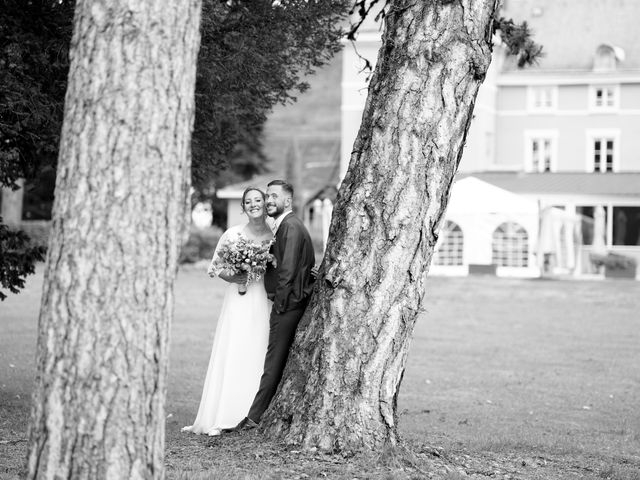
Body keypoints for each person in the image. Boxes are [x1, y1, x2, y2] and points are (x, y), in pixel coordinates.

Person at [182, 187, 274, 436]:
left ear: (266, 203)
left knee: (259, 350)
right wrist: (235, 278)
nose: (254, 204)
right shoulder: (232, 234)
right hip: (239, 300)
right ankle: (224, 414)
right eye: (248, 202)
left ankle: (254, 414)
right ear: (243, 208)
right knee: (235, 348)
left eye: (258, 200)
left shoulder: (276, 232)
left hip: (266, 300)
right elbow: (216, 267)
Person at [227, 179, 315, 432]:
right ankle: (257, 416)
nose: (269, 200)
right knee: (274, 360)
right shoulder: (285, 226)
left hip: (287, 305)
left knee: (273, 361)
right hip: (289, 302)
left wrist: (279, 303)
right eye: (268, 196)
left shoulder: (290, 227)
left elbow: (287, 271)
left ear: (288, 200)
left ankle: (253, 419)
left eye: (274, 195)